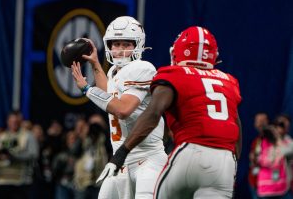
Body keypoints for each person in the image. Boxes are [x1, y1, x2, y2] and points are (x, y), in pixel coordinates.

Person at [100, 26, 243, 199]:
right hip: (225, 161)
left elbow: (152, 115)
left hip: (189, 151)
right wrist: (232, 167)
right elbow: (236, 130)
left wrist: (122, 152)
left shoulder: (173, 74)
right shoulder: (229, 81)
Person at [71, 16, 167, 198]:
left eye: (126, 44)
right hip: (120, 161)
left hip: (147, 159)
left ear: (138, 45)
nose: (120, 49)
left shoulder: (142, 67)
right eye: (116, 44)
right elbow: (109, 93)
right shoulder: (114, 72)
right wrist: (95, 64)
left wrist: (87, 89)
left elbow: (122, 110)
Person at [248, 112, 270, 199]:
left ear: (268, 122)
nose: (260, 123)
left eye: (263, 121)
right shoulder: (256, 141)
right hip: (254, 183)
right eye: (258, 121)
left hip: (268, 185)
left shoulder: (274, 140)